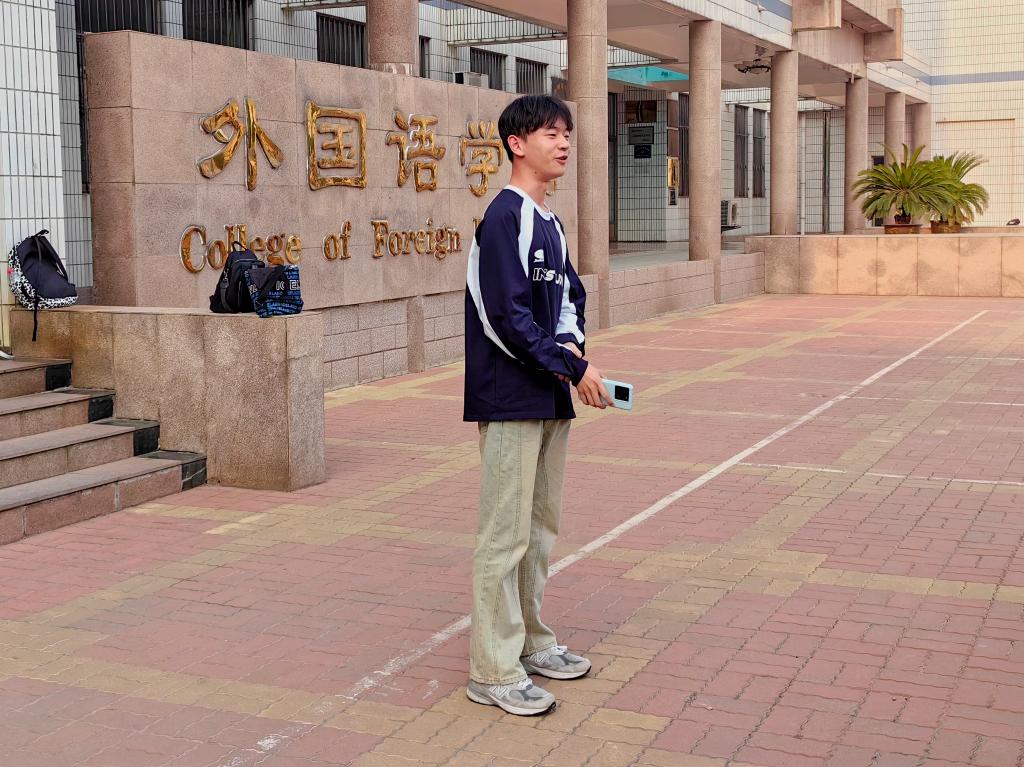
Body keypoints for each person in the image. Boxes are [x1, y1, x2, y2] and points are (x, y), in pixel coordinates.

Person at [463, 94, 612, 716]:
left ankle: (530, 642)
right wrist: (572, 366)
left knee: (538, 529)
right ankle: (493, 671)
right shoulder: (504, 216)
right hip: (509, 397)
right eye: (551, 133)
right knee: (504, 536)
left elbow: (570, 297)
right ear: (516, 144)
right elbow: (504, 316)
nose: (564, 142)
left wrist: (573, 350)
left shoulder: (548, 220)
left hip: (550, 393)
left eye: (566, 133)